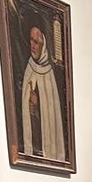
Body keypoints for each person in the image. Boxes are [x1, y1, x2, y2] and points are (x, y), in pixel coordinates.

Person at [20, 25, 67, 162]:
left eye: (36, 42)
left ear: (43, 44)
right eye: (31, 40)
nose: (33, 45)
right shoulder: (29, 68)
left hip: (47, 137)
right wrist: (30, 104)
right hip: (34, 134)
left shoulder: (49, 72)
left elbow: (53, 112)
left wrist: (38, 103)